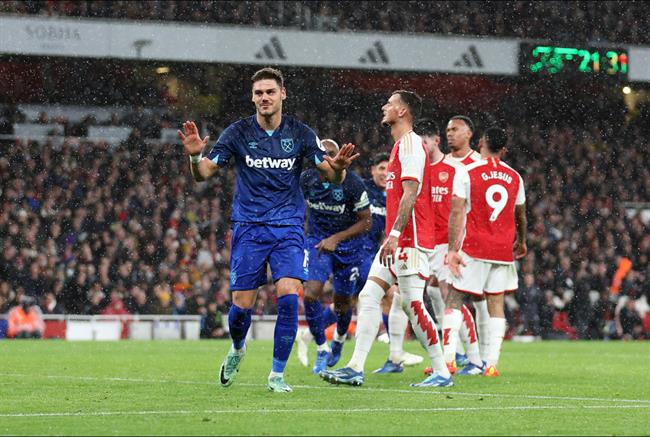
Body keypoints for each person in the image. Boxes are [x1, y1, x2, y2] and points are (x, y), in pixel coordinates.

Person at [178, 67, 358, 393]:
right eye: (259, 93)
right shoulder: (237, 133)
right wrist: (195, 157)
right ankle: (237, 348)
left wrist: (340, 171)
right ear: (253, 97)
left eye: (270, 92)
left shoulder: (302, 134)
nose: (264, 98)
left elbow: (331, 176)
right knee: (240, 309)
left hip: (289, 227)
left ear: (282, 95)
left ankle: (276, 374)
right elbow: (203, 173)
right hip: (249, 227)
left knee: (290, 297)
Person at [321, 90, 452, 388]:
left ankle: (441, 371)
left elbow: (411, 193)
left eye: (391, 104)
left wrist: (393, 235)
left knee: (413, 304)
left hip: (411, 239)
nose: (385, 107)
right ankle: (355, 367)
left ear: (403, 111)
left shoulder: (410, 146)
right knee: (368, 296)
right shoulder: (398, 147)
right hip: (397, 239)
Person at [445, 127, 527, 377]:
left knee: (454, 299)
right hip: (502, 250)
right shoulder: (515, 177)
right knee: (496, 304)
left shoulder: (467, 172)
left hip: (474, 246)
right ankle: (491, 364)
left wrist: (451, 250)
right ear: (504, 150)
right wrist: (521, 241)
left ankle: (448, 360)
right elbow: (520, 215)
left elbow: (457, 212)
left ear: (480, 143)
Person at [298, 138, 372, 374]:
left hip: (348, 247)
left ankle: (339, 338)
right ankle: (321, 348)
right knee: (311, 294)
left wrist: (336, 238)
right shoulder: (307, 179)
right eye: (323, 155)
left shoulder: (353, 183)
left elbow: (366, 221)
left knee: (342, 303)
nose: (327, 159)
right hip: (317, 242)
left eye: (332, 154)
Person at [442, 115, 490, 365]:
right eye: (448, 129)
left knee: (478, 297)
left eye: (455, 129)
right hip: (443, 241)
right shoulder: (441, 163)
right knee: (444, 293)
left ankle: (480, 355)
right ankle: (464, 354)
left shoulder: (480, 163)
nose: (450, 133)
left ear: (469, 134)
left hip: (473, 243)